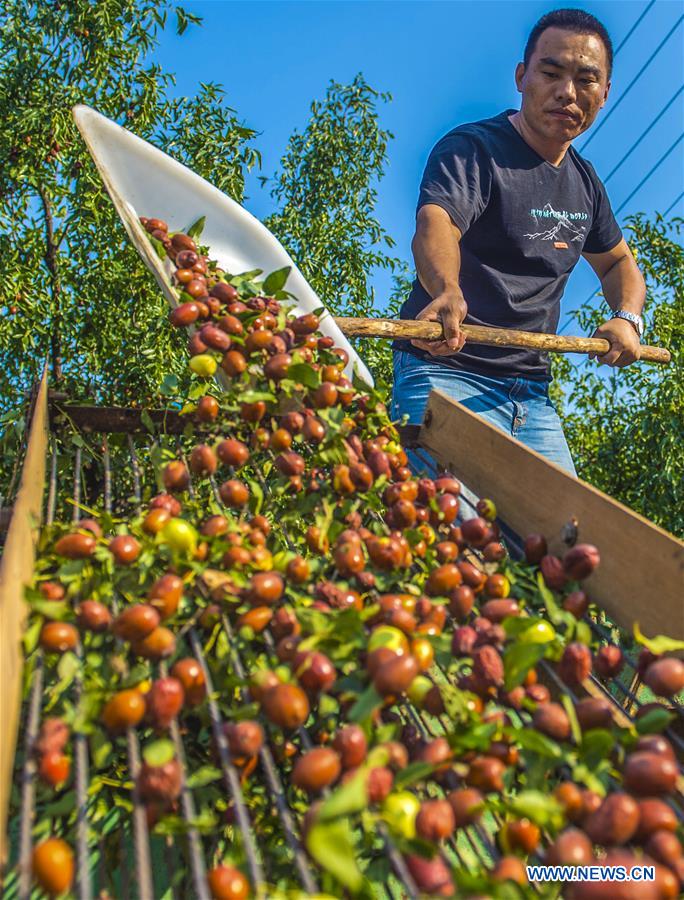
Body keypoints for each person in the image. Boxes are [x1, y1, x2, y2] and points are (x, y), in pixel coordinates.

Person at [391, 8, 646, 476]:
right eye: (551, 72)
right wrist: (446, 290)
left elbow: (618, 264)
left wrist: (627, 319)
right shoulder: (474, 149)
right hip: (446, 373)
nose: (567, 92)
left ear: (605, 93)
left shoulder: (585, 184)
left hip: (530, 396)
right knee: (449, 540)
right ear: (522, 76)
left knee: (570, 543)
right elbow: (438, 222)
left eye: (586, 79)